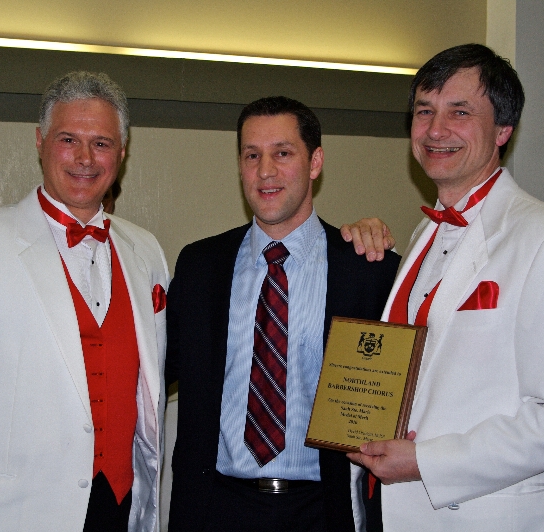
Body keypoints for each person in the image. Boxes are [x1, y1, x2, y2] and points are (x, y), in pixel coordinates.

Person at [344, 44, 544, 531]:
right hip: (393, 509)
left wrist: (427, 461)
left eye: (459, 112)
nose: (435, 130)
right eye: (424, 112)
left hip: (483, 515)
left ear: (504, 129)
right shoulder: (426, 234)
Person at [0, 71, 169, 532]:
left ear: (121, 155)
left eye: (101, 143)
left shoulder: (147, 252)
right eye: (69, 139)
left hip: (122, 506)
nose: (85, 158)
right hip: (14, 515)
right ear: (41, 142)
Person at [165, 96, 400, 532]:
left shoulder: (370, 271)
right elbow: (151, 370)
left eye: (283, 153)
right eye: (252, 155)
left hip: (325, 510)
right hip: (215, 509)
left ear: (315, 163)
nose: (265, 171)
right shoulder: (200, 266)